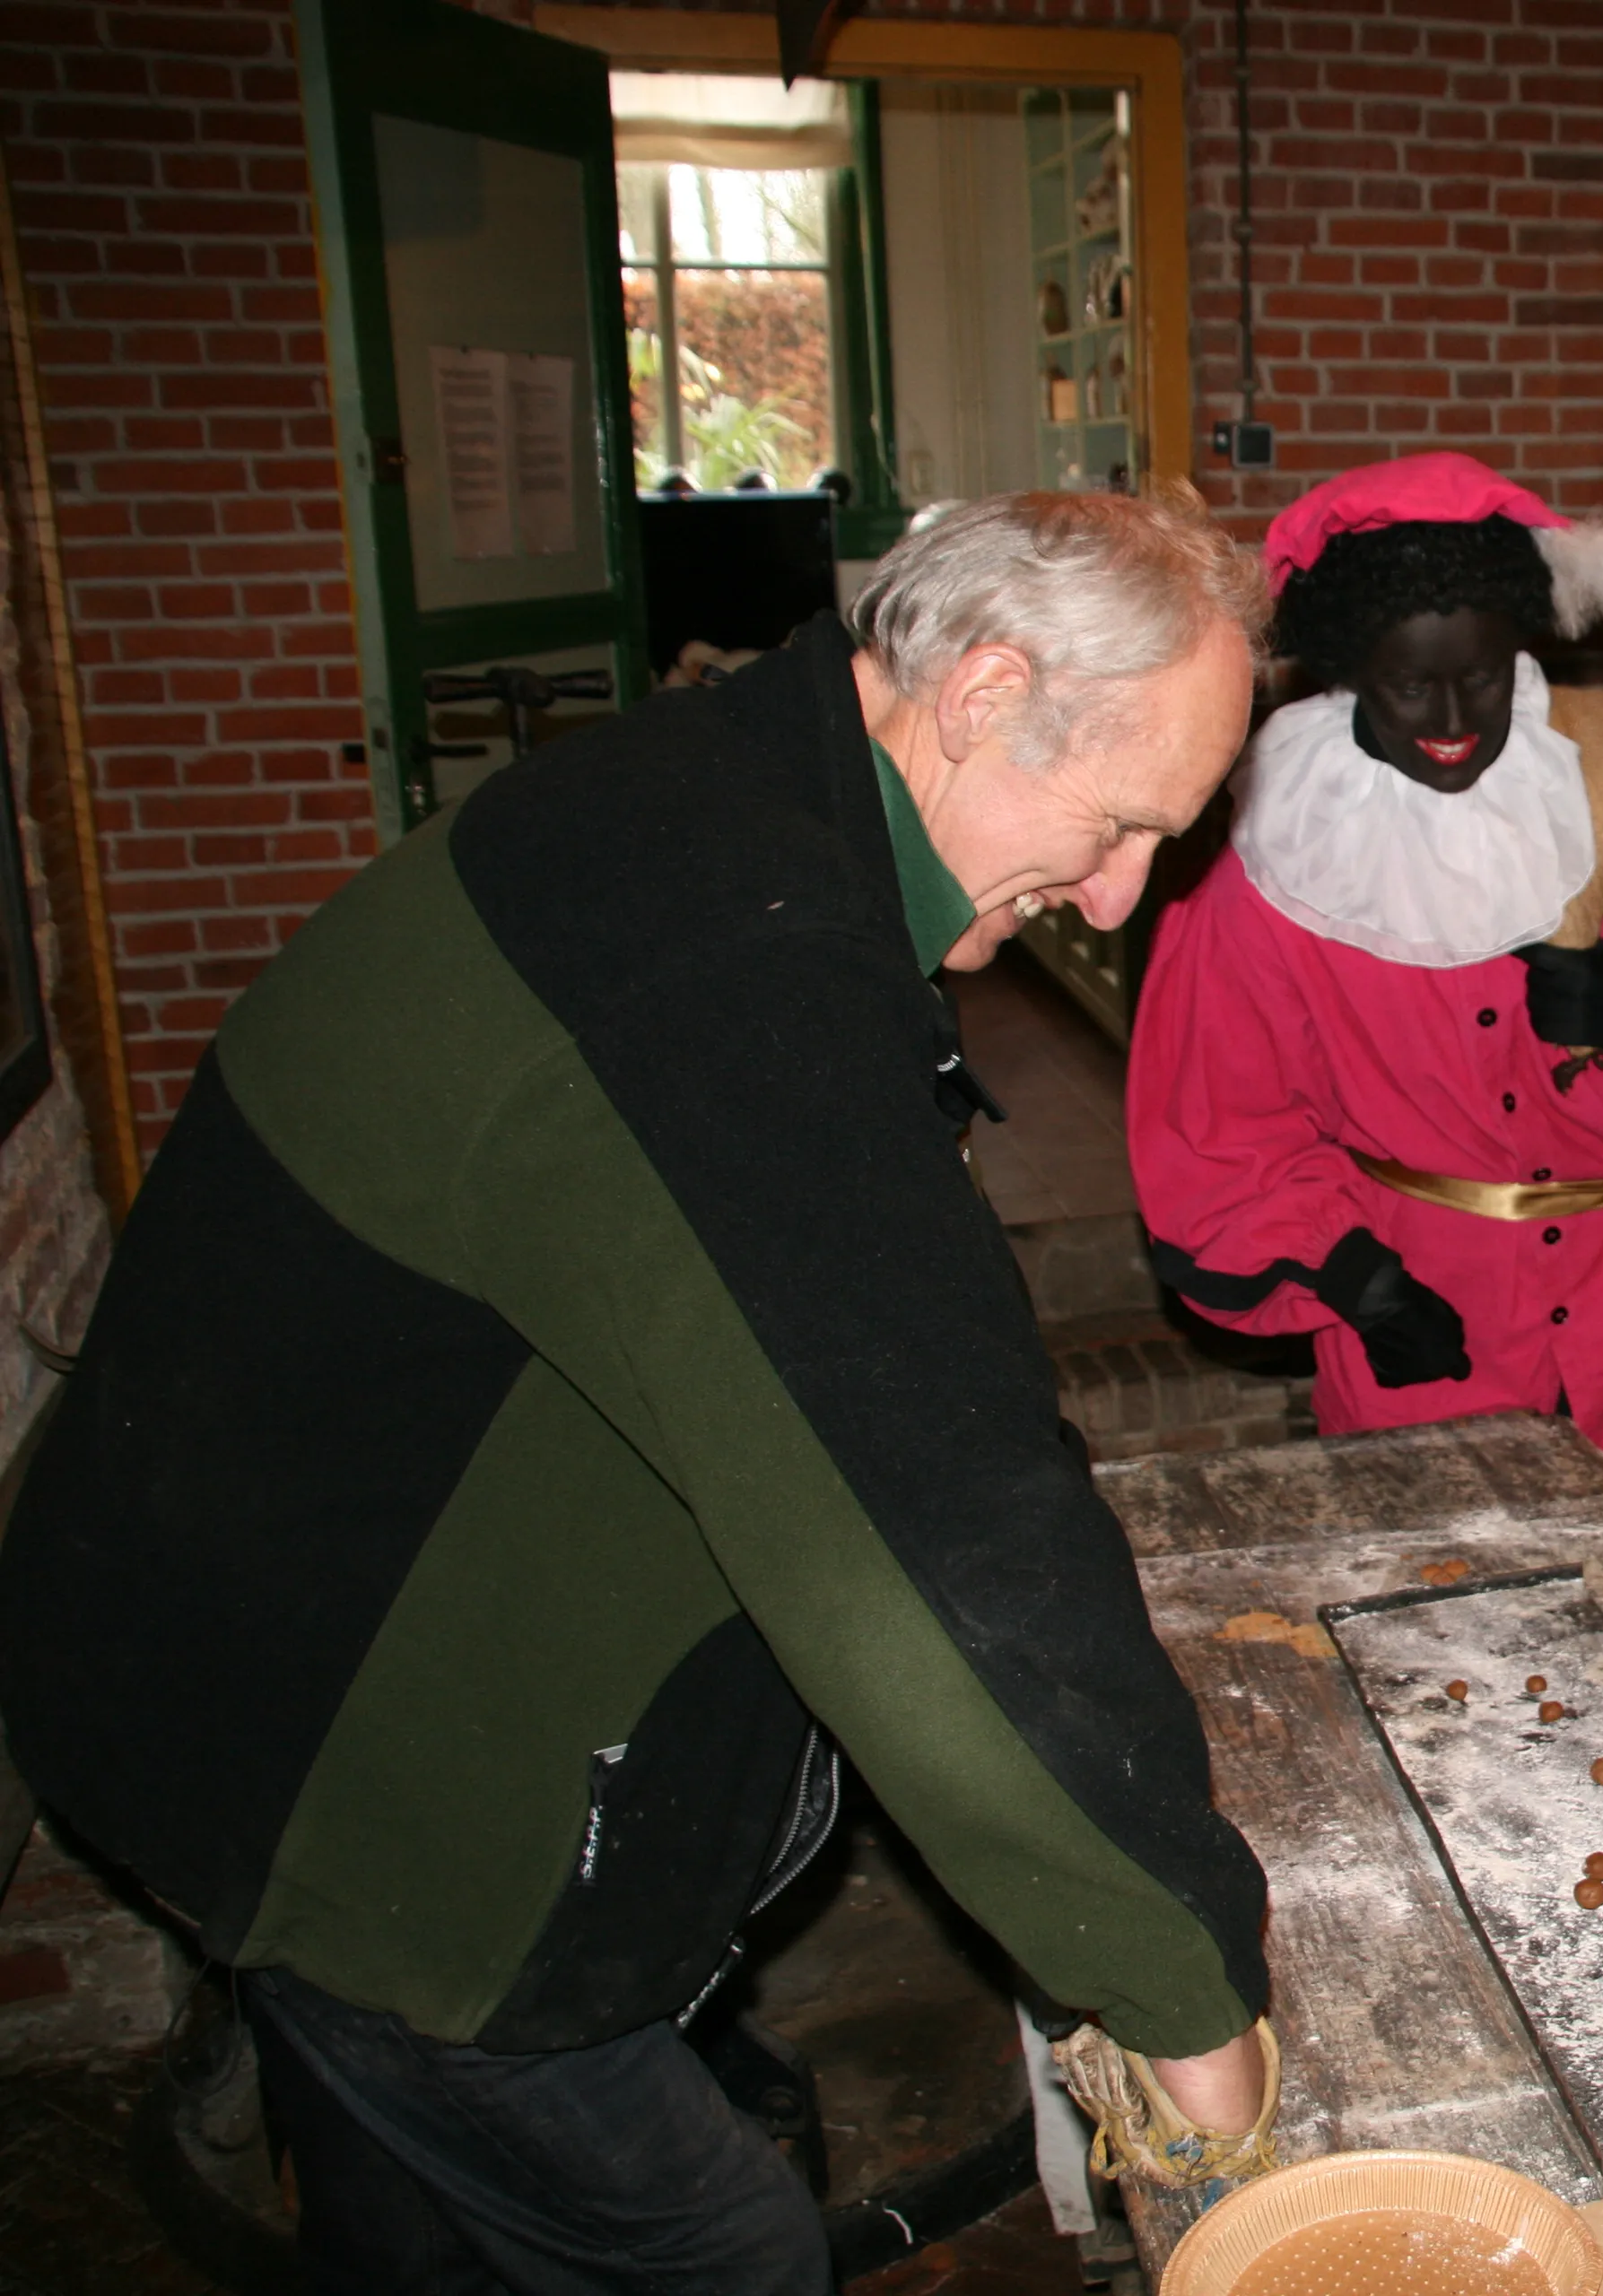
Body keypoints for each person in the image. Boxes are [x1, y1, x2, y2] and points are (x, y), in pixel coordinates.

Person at [0, 489, 1281, 2292]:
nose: (1126, 892)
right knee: (716, 2250)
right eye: (1124, 822)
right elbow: (927, 1535)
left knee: (417, 2225)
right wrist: (1179, 1979)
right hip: (339, 1773)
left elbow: (841, 1349)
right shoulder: (729, 955)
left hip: (220, 1655)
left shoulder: (716, 799)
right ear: (985, 692)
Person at [1128, 453, 1603, 1540]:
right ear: (1352, 670)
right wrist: (1356, 1279)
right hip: (1424, 1318)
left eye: (1486, 677)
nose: (1453, 715)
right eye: (1411, 685)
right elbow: (1220, 1125)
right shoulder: (1270, 856)